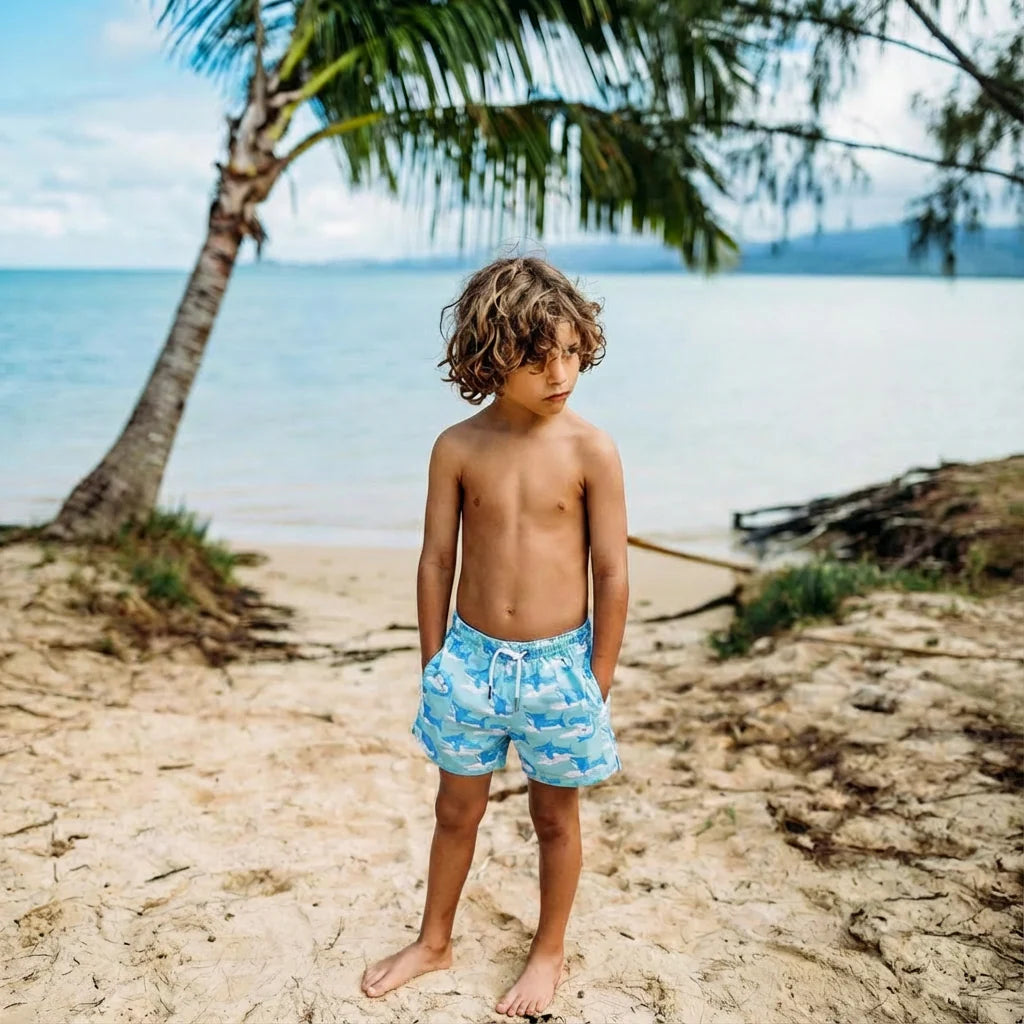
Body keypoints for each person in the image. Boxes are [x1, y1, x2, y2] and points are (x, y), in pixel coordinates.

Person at [361, 256, 629, 1018]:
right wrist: (434, 661)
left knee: (554, 817)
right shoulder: (457, 447)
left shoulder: (591, 450)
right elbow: (436, 560)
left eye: (571, 352)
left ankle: (549, 951)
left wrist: (597, 676)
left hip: (560, 666)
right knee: (455, 811)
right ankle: (434, 941)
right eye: (538, 358)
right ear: (490, 355)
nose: (560, 373)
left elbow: (612, 571)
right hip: (469, 661)